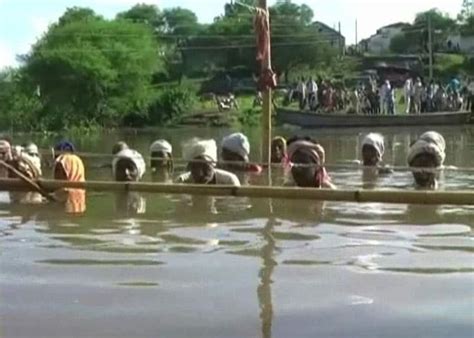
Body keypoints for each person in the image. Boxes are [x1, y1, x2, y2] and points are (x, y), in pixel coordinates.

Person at [53, 146, 86, 214]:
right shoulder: (78, 160)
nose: (57, 174)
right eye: (57, 170)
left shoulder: (63, 194)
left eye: (59, 170)